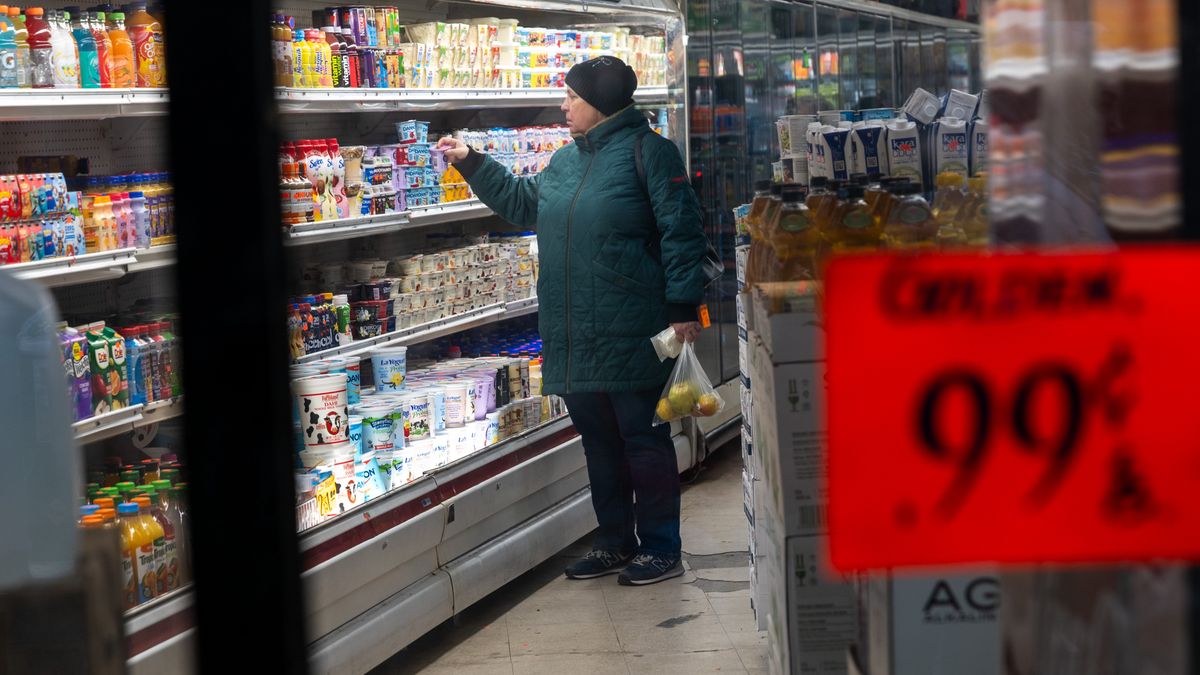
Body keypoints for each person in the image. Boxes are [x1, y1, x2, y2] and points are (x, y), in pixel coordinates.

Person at [436, 56, 708, 586]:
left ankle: (660, 548)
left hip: (633, 327)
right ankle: (613, 542)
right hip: (572, 331)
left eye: (572, 97)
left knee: (644, 440)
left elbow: (682, 231)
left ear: (600, 103)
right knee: (597, 443)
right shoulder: (564, 161)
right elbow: (520, 203)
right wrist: (470, 160)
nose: (564, 105)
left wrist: (682, 305)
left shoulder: (650, 153)